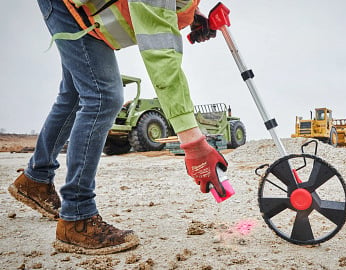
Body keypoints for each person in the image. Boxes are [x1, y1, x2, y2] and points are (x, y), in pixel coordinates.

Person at [8, 0, 224, 255]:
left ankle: (36, 178)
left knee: (75, 93)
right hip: (70, 7)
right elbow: (161, 57)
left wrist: (191, 13)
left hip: (79, 10)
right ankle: (77, 217)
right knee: (104, 97)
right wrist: (193, 141)